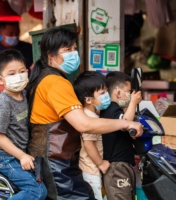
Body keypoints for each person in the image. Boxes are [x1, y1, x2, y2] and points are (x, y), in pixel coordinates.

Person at [26, 27, 143, 200]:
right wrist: (126, 123)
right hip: (56, 163)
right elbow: (84, 124)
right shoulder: (55, 82)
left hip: (51, 160)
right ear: (51, 55)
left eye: (74, 48)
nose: (74, 54)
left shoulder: (43, 78)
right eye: (67, 50)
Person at [0, 49, 47, 200]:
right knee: (37, 191)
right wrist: (22, 156)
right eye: (12, 74)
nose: (18, 77)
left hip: (16, 154)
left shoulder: (25, 95)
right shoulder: (4, 103)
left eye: (21, 72)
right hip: (3, 157)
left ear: (27, 72)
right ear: (0, 80)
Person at [100, 71, 142, 200]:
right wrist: (133, 103)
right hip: (117, 166)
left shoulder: (112, 109)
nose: (130, 95)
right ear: (118, 93)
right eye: (129, 91)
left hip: (121, 164)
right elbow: (124, 124)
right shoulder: (112, 109)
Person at [73, 71, 110, 200]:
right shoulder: (89, 118)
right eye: (102, 93)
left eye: (106, 91)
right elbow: (88, 144)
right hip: (91, 171)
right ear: (88, 100)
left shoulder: (93, 114)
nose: (107, 95)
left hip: (93, 170)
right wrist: (100, 164)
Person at [0, 21, 33, 100]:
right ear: (1, 32)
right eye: (10, 34)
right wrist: (9, 90)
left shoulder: (29, 48)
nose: (14, 36)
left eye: (17, 33)